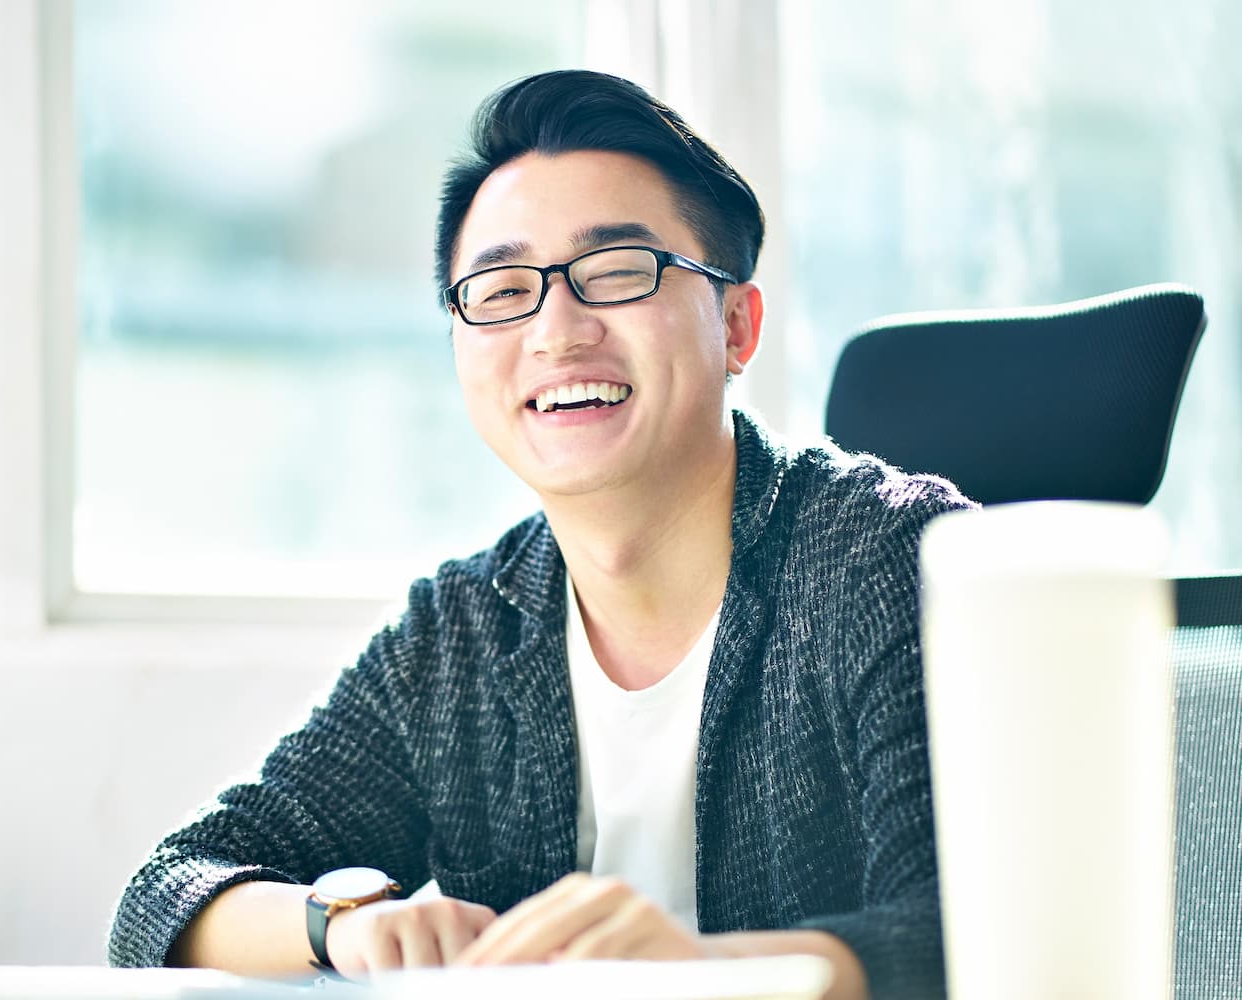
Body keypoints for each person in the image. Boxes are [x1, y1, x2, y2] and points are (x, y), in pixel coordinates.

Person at [108, 69, 973, 1000]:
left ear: (736, 324)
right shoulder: (461, 633)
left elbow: (992, 927)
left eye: (614, 273)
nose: (556, 333)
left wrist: (711, 975)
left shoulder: (892, 561)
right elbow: (166, 894)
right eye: (501, 288)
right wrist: (343, 927)